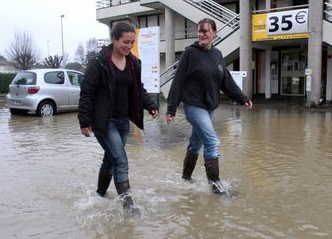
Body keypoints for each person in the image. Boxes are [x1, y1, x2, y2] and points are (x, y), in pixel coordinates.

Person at [166, 18, 253, 195]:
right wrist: (171, 108)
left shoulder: (217, 54)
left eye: (205, 31)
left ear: (214, 33)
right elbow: (178, 81)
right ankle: (216, 186)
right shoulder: (190, 53)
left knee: (195, 144)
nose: (201, 34)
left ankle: (186, 178)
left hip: (210, 107)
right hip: (193, 106)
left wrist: (243, 98)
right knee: (212, 142)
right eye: (199, 31)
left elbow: (226, 80)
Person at [78, 22, 159, 210]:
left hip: (124, 121)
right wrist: (84, 120)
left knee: (110, 158)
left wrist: (150, 105)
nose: (129, 47)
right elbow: (87, 92)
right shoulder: (99, 63)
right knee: (121, 160)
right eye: (125, 42)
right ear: (114, 39)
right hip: (105, 122)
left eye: (132, 42)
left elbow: (138, 89)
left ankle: (99, 195)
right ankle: (128, 206)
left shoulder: (133, 63)